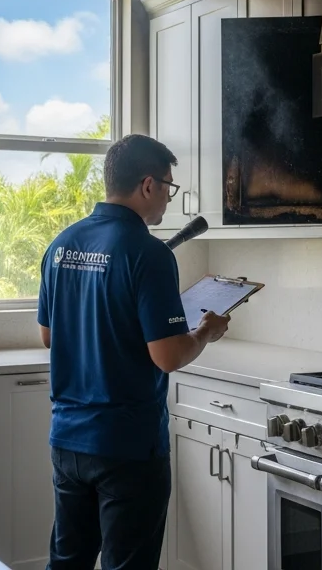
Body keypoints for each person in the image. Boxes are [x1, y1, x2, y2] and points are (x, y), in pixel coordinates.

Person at [37, 133, 230, 570]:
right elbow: (168, 356)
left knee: (67, 563)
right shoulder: (148, 254)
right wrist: (205, 332)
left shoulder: (61, 245)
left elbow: (50, 336)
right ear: (148, 185)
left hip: (68, 441)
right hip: (127, 447)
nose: (167, 198)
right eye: (168, 186)